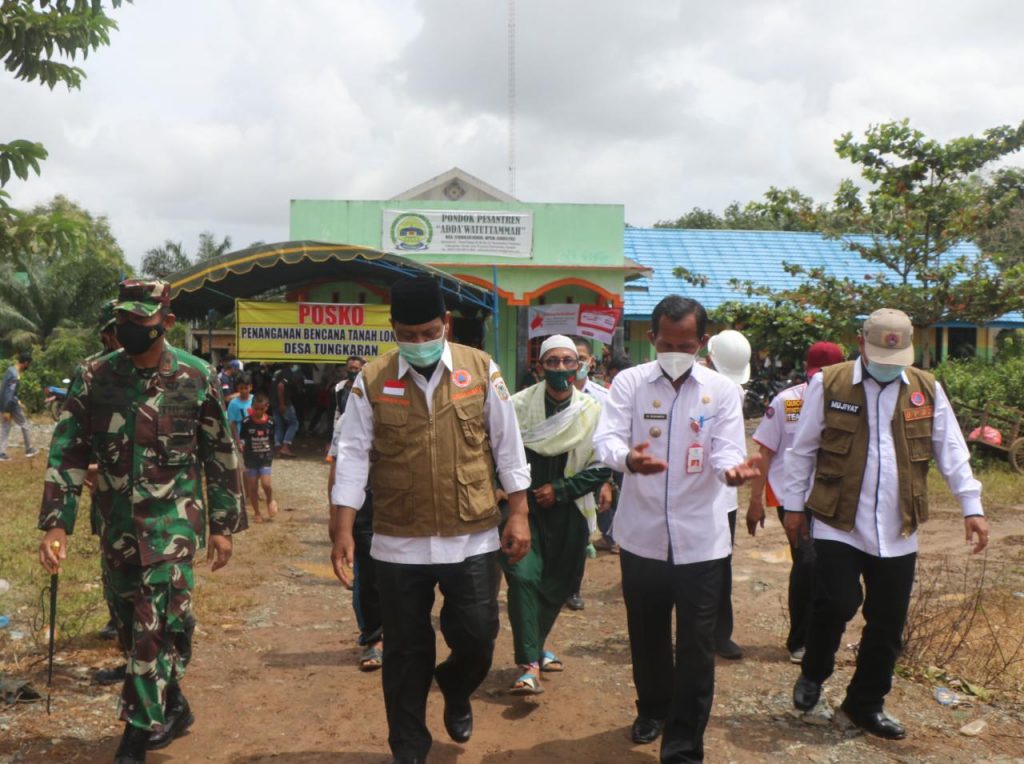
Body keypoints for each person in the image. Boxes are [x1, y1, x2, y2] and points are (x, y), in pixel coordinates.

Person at [37, 279, 245, 764]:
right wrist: (56, 523)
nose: (128, 327)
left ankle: (136, 731)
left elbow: (220, 452)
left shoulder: (195, 375)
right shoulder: (95, 375)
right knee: (133, 629)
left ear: (166, 322)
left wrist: (223, 525)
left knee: (153, 626)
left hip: (173, 525)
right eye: (123, 318)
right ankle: (174, 702)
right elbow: (68, 449)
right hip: (118, 527)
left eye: (139, 319)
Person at [330, 276, 531, 764]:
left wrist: (519, 512)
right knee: (404, 650)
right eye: (408, 334)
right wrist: (342, 528)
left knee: (478, 635)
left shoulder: (479, 369)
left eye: (428, 332)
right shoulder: (372, 379)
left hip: (472, 536)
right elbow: (352, 454)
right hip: (398, 540)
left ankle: (456, 687)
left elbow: (508, 444)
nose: (419, 342)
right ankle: (408, 747)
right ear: (393, 329)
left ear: (446, 324)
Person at [784, 309, 989, 740]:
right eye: (879, 355)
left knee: (888, 621)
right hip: (839, 521)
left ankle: (865, 703)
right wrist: (793, 507)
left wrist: (972, 506)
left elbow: (951, 449)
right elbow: (801, 450)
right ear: (861, 343)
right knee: (836, 603)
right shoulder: (830, 383)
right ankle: (814, 672)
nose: (888, 365)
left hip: (898, 527)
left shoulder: (926, 389)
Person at [593, 295, 760, 763]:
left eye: (685, 345)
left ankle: (684, 746)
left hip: (701, 540)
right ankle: (652, 709)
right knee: (647, 633)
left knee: (696, 646)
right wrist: (628, 459)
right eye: (666, 344)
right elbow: (605, 438)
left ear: (701, 342)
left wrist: (731, 472)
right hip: (642, 535)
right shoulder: (630, 383)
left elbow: (727, 448)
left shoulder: (721, 391)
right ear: (652, 338)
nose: (675, 352)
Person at [504, 335, 610, 695]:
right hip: (522, 509)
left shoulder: (592, 410)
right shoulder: (517, 406)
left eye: (568, 361)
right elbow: (497, 450)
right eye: (553, 362)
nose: (561, 368)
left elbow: (603, 464)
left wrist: (562, 489)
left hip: (570, 511)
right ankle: (528, 665)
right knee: (523, 577)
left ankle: (535, 646)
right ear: (540, 367)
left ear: (580, 366)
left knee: (556, 585)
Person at [746, 341, 845, 664]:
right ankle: (800, 641)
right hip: (792, 498)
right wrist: (755, 500)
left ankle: (823, 637)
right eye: (817, 377)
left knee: (831, 567)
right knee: (807, 562)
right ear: (806, 371)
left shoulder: (849, 401)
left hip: (834, 498)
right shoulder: (787, 402)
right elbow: (765, 452)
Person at [703, 329, 752, 660]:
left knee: (720, 565)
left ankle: (719, 634)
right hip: (692, 492)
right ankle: (702, 631)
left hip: (723, 495)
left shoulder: (732, 390)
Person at [326, 408, 382, 671]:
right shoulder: (350, 418)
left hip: (407, 505)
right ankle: (375, 638)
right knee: (368, 574)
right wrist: (337, 519)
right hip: (363, 505)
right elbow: (338, 467)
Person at [565, 336, 610, 610]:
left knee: (580, 533)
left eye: (581, 358)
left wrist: (605, 482)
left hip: (588, 474)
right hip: (555, 473)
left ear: (591, 362)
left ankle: (573, 589)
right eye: (570, 358)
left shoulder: (603, 398)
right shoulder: (543, 395)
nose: (576, 364)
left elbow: (608, 442)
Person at [239, 392, 278, 523]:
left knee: (266, 484)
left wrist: (272, 451)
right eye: (256, 409)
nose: (258, 411)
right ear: (252, 407)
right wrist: (241, 444)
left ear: (266, 407)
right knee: (252, 486)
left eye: (261, 409)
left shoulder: (271, 422)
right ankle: (257, 512)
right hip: (250, 457)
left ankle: (270, 499)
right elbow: (242, 437)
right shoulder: (246, 422)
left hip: (265, 457)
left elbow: (272, 438)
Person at [0, 351, 38, 461]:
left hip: (6, 403)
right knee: (24, 424)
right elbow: (9, 394)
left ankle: (1, 453)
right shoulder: (14, 375)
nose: (28, 366)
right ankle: (29, 449)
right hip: (10, 405)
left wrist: (18, 401)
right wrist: (7, 410)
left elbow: (6, 390)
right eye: (28, 364)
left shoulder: (10, 370)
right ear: (25, 363)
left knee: (5, 427)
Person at [272, 363, 300, 457]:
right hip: (284, 403)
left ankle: (278, 448)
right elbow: (281, 386)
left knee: (279, 425)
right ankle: (285, 447)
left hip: (274, 402)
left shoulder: (277, 372)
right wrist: (282, 403)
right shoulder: (287, 372)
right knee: (294, 423)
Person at [333, 356, 365, 422]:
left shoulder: (366, 387)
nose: (353, 371)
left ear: (361, 369)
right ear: (346, 368)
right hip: (342, 425)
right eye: (351, 368)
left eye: (356, 368)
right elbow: (336, 410)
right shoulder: (339, 387)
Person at [226, 374, 254, 442]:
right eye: (241, 388)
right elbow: (232, 424)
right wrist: (238, 441)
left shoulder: (255, 399)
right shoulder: (233, 404)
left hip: (255, 438)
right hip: (242, 439)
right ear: (237, 388)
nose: (244, 391)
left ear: (251, 387)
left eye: (246, 388)